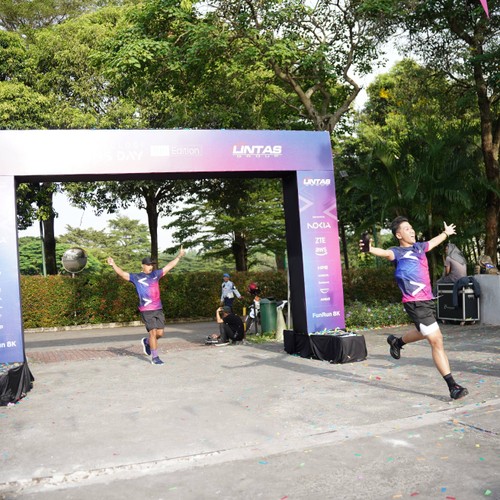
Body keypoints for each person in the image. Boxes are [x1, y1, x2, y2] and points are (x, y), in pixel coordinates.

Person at [361, 217, 468, 400]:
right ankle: (453, 386)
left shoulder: (419, 247)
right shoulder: (397, 252)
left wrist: (445, 233)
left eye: (411, 228)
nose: (411, 231)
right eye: (406, 229)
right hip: (414, 302)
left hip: (427, 300)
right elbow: (384, 253)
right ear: (398, 235)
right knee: (436, 339)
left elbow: (432, 242)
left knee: (424, 331)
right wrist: (369, 249)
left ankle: (397, 342)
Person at [107, 247, 185, 365]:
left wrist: (179, 256)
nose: (150, 267)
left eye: (152, 265)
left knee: (160, 333)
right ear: (142, 265)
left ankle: (147, 342)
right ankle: (155, 357)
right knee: (153, 333)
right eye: (148, 265)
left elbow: (169, 266)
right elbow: (122, 273)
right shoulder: (136, 277)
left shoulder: (155, 274)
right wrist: (113, 264)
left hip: (158, 308)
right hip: (146, 310)